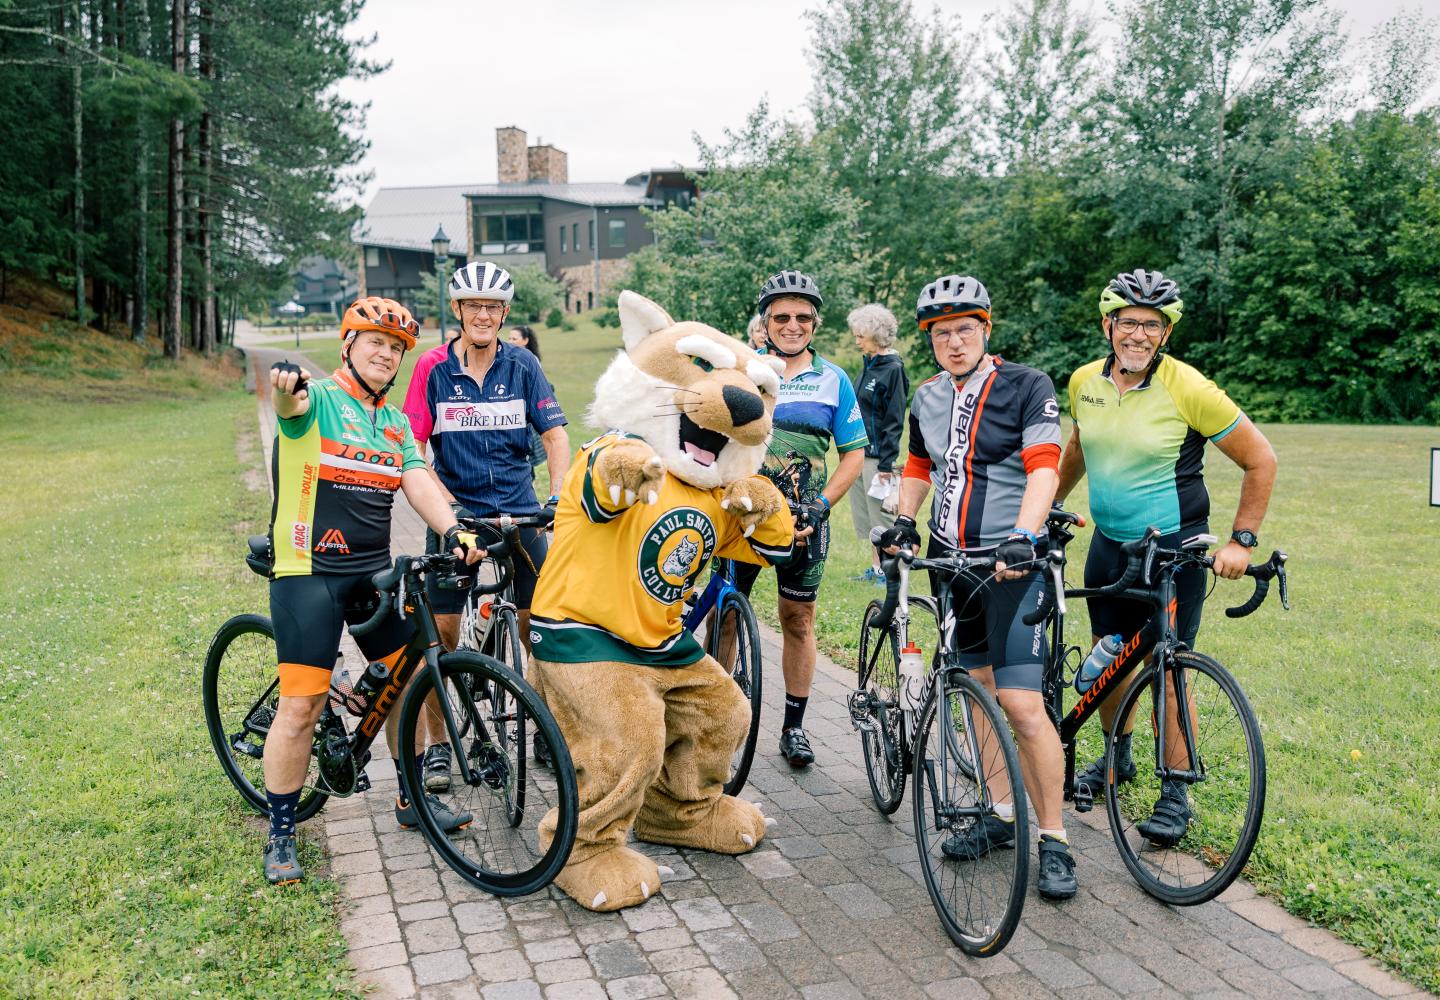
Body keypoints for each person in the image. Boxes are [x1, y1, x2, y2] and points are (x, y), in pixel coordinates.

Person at [261, 296, 483, 886]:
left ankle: (410, 797)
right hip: (308, 573)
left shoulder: (394, 424)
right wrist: (285, 386)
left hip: (370, 574)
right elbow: (290, 403)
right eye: (374, 342)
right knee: (303, 705)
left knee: (404, 679)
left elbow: (417, 478)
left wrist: (453, 527)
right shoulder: (320, 401)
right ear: (347, 346)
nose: (386, 353)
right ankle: (281, 830)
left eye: (396, 347)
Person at [1056, 268, 1276, 844]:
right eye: (1128, 322)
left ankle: (1175, 791)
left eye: (1152, 325)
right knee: (1110, 662)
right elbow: (1078, 448)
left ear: (1166, 334)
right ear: (1108, 326)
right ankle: (1117, 758)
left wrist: (1241, 541)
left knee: (1168, 667)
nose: (1139, 334)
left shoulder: (1189, 388)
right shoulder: (1084, 381)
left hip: (1174, 549)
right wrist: (1047, 505)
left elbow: (1261, 460)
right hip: (1108, 545)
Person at [877, 273, 1078, 900]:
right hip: (951, 564)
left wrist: (1026, 533)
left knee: (1021, 704)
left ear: (986, 331)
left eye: (966, 330)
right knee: (979, 691)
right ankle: (1000, 812)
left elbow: (1045, 467)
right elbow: (917, 466)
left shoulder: (1027, 385)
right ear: (930, 341)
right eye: (942, 333)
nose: (954, 342)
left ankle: (1055, 839)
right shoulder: (928, 396)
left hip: (1011, 564)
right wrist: (904, 521)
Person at [402, 262, 571, 788]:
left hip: (520, 512)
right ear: (457, 311)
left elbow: (556, 436)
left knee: (539, 626)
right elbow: (412, 448)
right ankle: (436, 747)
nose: (483, 314)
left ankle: (545, 723)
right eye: (473, 305)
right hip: (459, 520)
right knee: (443, 636)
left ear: (504, 313)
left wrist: (559, 497)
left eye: (493, 307)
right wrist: (446, 509)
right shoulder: (432, 368)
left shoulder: (523, 365)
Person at [732, 270, 867, 769]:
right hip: (740, 519)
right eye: (781, 317)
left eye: (802, 317)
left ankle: (794, 727)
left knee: (798, 619)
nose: (792, 325)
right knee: (726, 616)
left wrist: (821, 504)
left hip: (805, 520)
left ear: (815, 322)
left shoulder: (834, 379)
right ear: (764, 322)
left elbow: (853, 454)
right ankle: (716, 718)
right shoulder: (742, 372)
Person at [845, 303, 909, 584]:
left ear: (875, 334)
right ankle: (876, 568)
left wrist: (886, 463)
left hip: (878, 458)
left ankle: (890, 572)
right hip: (860, 452)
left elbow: (894, 420)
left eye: (860, 335)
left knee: (882, 519)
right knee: (868, 518)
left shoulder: (893, 369)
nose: (856, 340)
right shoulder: (869, 365)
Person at [507, 325, 550, 474]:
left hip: (526, 412)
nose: (511, 341)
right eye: (509, 338)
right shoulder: (509, 358)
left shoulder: (530, 360)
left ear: (525, 340)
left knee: (526, 447)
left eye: (515, 338)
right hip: (512, 410)